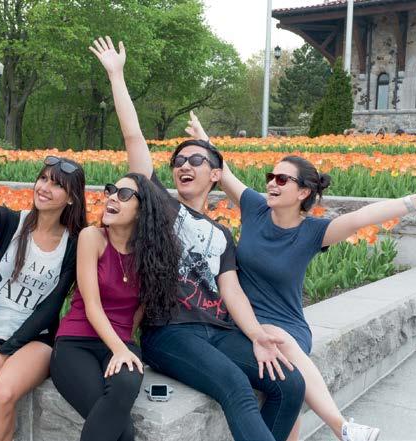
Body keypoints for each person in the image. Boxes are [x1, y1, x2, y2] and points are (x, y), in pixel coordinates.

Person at [91, 36, 305, 441]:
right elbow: (134, 139)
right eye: (178, 161)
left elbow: (232, 291)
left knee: (290, 383)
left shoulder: (222, 234)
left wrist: (256, 335)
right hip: (170, 332)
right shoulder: (160, 207)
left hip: (220, 331)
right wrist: (116, 75)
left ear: (215, 175)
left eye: (195, 160)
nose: (183, 165)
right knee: (235, 386)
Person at [186, 111, 416, 441]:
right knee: (287, 388)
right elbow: (223, 172)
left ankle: (342, 427)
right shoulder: (255, 208)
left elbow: (362, 217)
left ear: (302, 192)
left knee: (280, 351)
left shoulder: (313, 232)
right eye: (271, 176)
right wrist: (203, 139)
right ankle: (342, 429)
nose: (272, 183)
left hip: (285, 324)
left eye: (282, 179)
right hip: (242, 320)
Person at [0, 114, 87, 441]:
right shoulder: (10, 224)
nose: (45, 188)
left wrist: (5, 352)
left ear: (71, 197)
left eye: (57, 185)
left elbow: (49, 309)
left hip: (35, 341)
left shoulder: (74, 244)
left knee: (1, 392)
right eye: (43, 179)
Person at [50, 173, 181, 441]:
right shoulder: (92, 238)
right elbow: (92, 306)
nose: (111, 197)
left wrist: (124, 346)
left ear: (142, 210)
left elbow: (139, 310)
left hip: (121, 343)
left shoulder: (151, 256)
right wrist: (120, 349)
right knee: (124, 432)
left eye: (123, 195)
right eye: (111, 190)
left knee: (127, 383)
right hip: (76, 342)